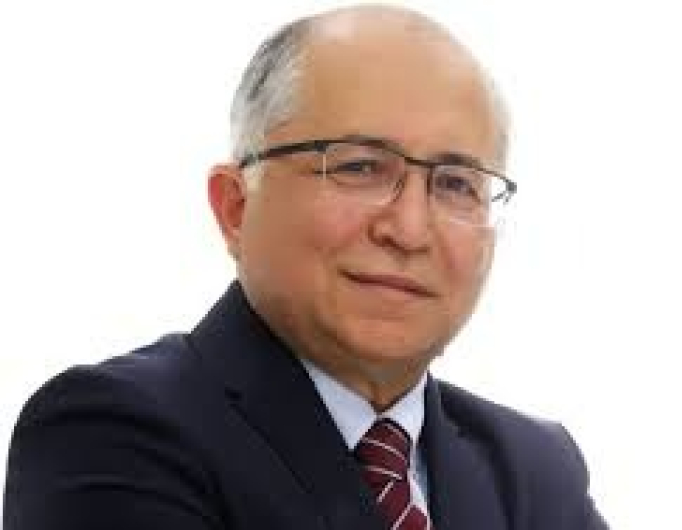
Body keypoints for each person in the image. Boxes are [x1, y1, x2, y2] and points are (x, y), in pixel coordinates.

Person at [3, 4, 607, 529]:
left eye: (455, 184)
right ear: (235, 207)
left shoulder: (535, 471)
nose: (409, 230)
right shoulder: (113, 433)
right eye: (359, 167)